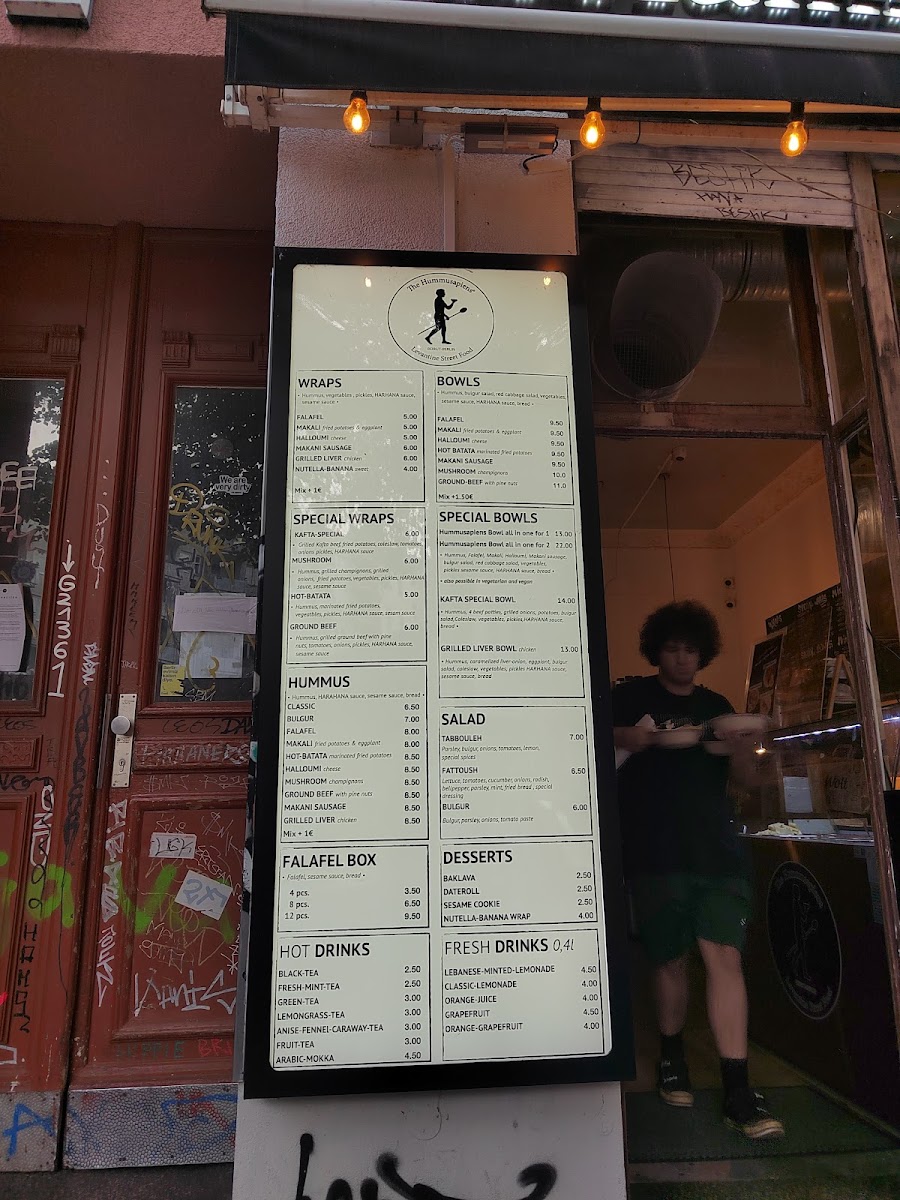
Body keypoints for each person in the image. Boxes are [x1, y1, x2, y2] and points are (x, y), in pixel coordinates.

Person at [612, 600, 784, 1140]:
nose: (683, 658)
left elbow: (746, 780)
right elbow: (584, 744)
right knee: (669, 960)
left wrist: (746, 749)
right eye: (673, 649)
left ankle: (738, 1088)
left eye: (691, 650)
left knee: (724, 956)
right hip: (654, 849)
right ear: (657, 651)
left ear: (703, 654)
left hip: (716, 848)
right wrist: (625, 736)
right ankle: (672, 1056)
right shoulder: (630, 697)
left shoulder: (717, 707)